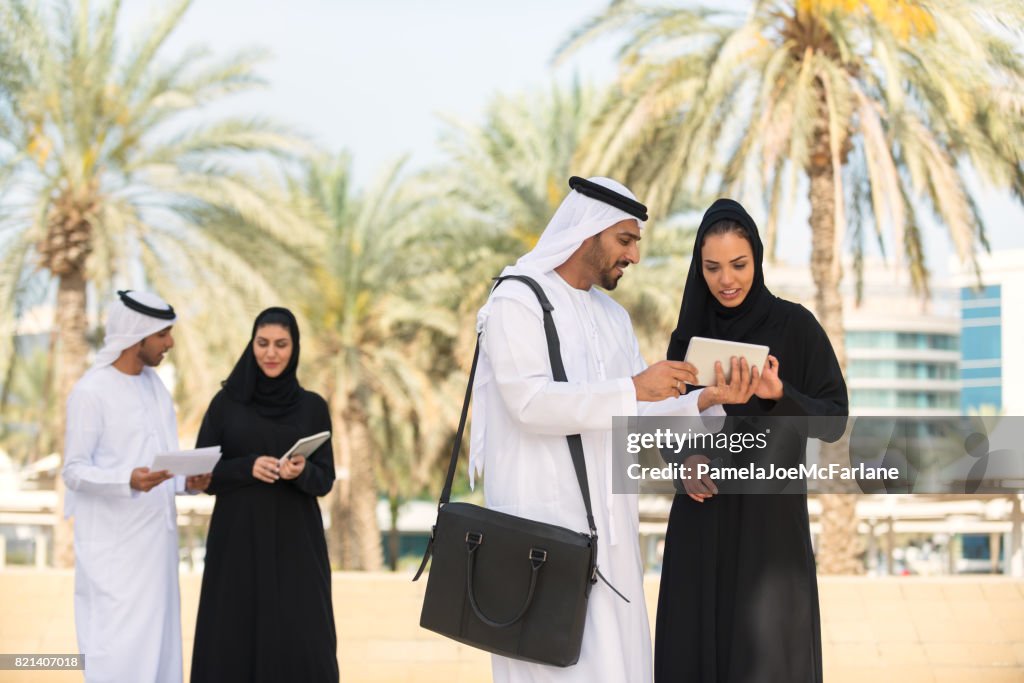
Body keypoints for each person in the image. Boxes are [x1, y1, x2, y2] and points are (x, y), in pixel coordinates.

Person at [471, 177, 757, 683]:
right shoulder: (518, 301)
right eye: (625, 240)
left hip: (611, 538)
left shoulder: (613, 316)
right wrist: (634, 388)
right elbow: (529, 403)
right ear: (591, 232)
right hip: (541, 529)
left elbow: (635, 416)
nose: (634, 256)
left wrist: (705, 399)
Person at [653, 198, 849, 683]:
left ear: (757, 260)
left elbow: (834, 420)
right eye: (712, 268)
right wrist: (685, 463)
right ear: (698, 269)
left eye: (739, 265)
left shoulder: (795, 326)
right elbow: (663, 424)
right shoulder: (688, 338)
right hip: (702, 523)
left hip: (770, 531)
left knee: (771, 658)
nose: (727, 280)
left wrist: (779, 394)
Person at [63, 290, 210, 683]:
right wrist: (126, 478)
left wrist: (189, 481)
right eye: (163, 334)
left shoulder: (156, 389)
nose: (170, 344)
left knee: (160, 651)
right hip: (114, 557)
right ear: (137, 335)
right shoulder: (91, 391)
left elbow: (161, 464)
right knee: (117, 653)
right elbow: (74, 471)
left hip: (158, 554)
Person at [190, 307, 337, 683]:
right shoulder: (226, 404)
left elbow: (325, 479)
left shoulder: (312, 407)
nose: (271, 353)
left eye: (281, 344)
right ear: (252, 344)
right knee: (233, 633)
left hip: (296, 546)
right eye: (263, 343)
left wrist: (301, 470)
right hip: (237, 542)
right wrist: (246, 467)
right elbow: (200, 473)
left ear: (294, 348)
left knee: (302, 637)